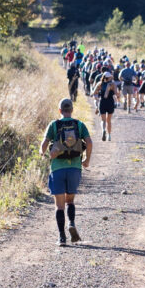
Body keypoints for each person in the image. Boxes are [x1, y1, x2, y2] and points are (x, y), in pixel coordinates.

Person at [40, 98, 92, 246]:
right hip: (74, 168)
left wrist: (42, 154)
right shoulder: (79, 125)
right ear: (72, 110)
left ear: (60, 110)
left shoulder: (54, 125)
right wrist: (87, 160)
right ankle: (71, 223)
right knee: (70, 201)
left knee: (59, 205)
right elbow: (89, 142)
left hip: (57, 168)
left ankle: (62, 237)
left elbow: (44, 144)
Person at [94, 70, 117, 141]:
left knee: (103, 120)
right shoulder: (113, 84)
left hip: (102, 102)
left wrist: (97, 99)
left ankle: (103, 130)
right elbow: (116, 94)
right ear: (109, 77)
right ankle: (109, 136)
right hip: (110, 102)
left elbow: (94, 92)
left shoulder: (99, 84)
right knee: (109, 120)